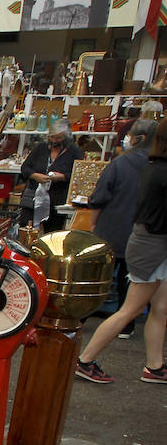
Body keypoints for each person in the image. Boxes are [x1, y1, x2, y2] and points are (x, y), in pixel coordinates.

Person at [75, 119, 167, 385]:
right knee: (131, 309)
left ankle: (154, 365)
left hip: (148, 242)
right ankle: (85, 359)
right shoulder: (157, 170)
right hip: (150, 244)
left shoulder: (151, 167)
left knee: (160, 308)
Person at [82, 119, 158, 338]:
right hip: (142, 233)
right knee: (129, 279)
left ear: (138, 138)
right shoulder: (155, 166)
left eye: (130, 135)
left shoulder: (120, 164)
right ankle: (126, 325)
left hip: (112, 227)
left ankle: (82, 315)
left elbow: (99, 198)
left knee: (99, 275)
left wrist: (94, 223)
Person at [20, 120, 83, 231]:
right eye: (52, 137)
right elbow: (25, 168)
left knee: (52, 234)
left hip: (56, 200)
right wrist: (35, 176)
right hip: (33, 197)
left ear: (66, 137)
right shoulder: (41, 148)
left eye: (58, 138)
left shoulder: (73, 152)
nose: (54, 141)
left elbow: (78, 174)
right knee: (27, 230)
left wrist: (62, 177)